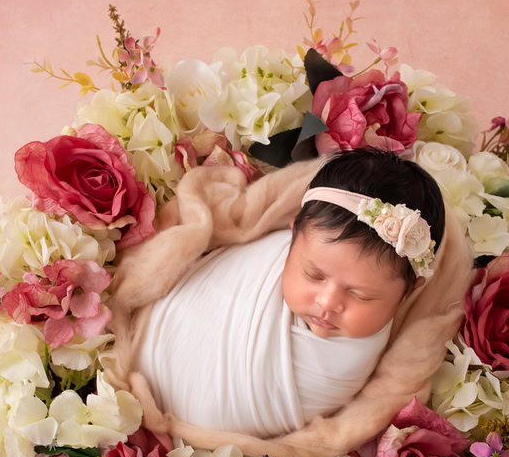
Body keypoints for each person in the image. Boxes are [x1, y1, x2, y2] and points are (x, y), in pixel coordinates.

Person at [134, 147, 447, 438]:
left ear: (408, 292)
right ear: (293, 233)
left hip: (201, 438)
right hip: (141, 355)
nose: (327, 302)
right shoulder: (269, 251)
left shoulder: (351, 363)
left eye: (361, 295)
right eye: (313, 274)